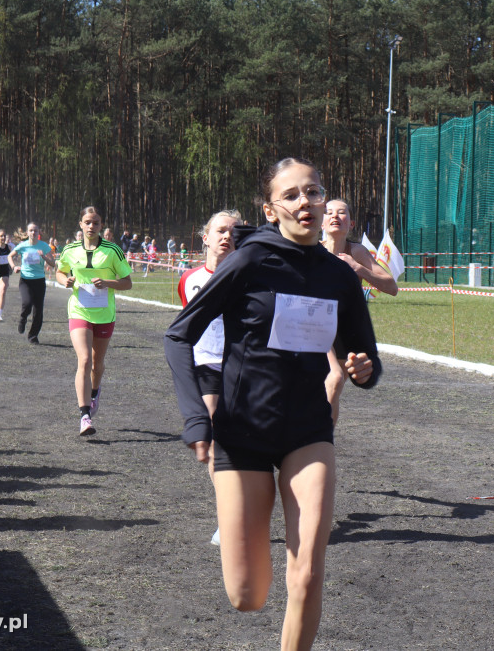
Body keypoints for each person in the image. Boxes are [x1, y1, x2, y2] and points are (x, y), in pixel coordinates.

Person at [165, 158, 380, 651]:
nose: (306, 202)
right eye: (292, 195)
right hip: (242, 433)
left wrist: (362, 369)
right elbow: (178, 337)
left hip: (308, 430)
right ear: (271, 208)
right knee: (248, 594)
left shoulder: (339, 276)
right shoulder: (249, 261)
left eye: (314, 191)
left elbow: (364, 355)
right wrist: (198, 417)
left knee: (307, 574)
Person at [177, 209, 241, 546]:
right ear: (205, 237)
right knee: (217, 444)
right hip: (207, 367)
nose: (226, 236)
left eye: (233, 231)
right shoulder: (189, 280)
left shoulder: (248, 276)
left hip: (243, 369)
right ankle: (227, 518)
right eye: (220, 230)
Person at [55, 207, 132, 436]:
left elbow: (127, 282)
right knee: (85, 359)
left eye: (95, 223)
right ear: (80, 224)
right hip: (79, 310)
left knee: (97, 365)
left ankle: (95, 392)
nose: (91, 226)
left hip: (104, 314)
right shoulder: (69, 250)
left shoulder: (113, 251)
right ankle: (84, 416)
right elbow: (60, 272)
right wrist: (64, 281)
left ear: (101, 226)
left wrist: (108, 282)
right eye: (87, 222)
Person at [321, 198, 398, 423]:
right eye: (329, 212)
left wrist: (356, 267)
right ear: (321, 222)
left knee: (332, 391)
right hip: (317, 328)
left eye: (342, 212)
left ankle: (324, 444)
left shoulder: (356, 251)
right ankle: (318, 445)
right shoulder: (313, 251)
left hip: (346, 332)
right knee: (332, 381)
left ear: (351, 224)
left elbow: (391, 287)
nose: (335, 216)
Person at [10, 222, 55, 344]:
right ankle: (23, 318)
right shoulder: (22, 246)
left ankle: (33, 336)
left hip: (39, 280)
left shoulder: (44, 246)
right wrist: (14, 266)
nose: (33, 233)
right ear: (27, 232)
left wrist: (44, 257)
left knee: (38, 310)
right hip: (25, 280)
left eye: (35, 230)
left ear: (39, 232)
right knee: (27, 303)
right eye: (31, 230)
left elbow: (53, 263)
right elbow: (10, 256)